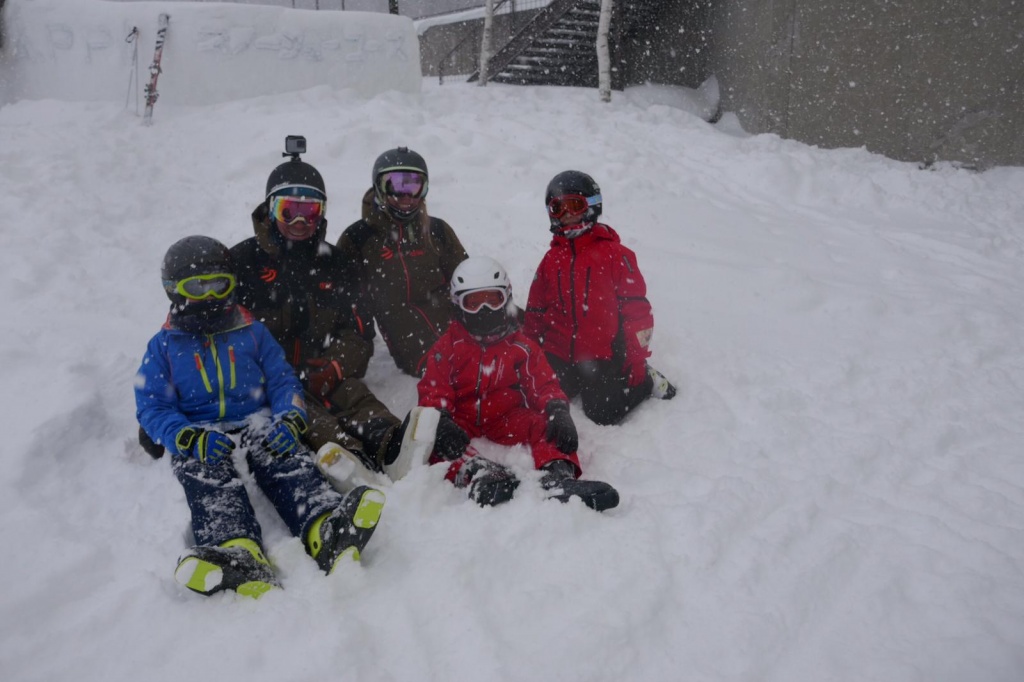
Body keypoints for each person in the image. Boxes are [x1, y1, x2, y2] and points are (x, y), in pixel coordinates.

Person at [134, 236, 385, 598]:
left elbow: (282, 379)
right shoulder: (164, 346)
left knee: (289, 460)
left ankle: (324, 527)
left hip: (256, 419)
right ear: (174, 291)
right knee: (207, 477)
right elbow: (152, 405)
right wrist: (185, 436)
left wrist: (289, 417)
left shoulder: (251, 332)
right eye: (197, 288)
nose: (210, 298)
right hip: (202, 431)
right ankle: (237, 551)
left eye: (219, 285)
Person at [230, 137, 412, 474]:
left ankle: (391, 443)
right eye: (289, 211)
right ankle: (348, 457)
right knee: (304, 412)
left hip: (325, 372)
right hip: (272, 383)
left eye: (309, 212)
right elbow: (209, 334)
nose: (300, 223)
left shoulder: (337, 264)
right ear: (270, 210)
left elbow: (358, 333)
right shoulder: (242, 264)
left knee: (355, 396)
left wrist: (335, 367)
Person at [418, 257, 619, 512]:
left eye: (493, 300)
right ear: (458, 305)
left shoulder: (520, 345)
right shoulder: (448, 347)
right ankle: (478, 473)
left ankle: (558, 476)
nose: (484, 311)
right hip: (462, 417)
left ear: (507, 299)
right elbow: (433, 388)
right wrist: (441, 420)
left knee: (547, 425)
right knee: (434, 441)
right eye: (473, 303)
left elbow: (543, 382)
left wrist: (557, 409)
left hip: (505, 415)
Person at [524, 170, 676, 426]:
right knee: (541, 396)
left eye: (575, 205)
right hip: (559, 351)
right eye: (558, 208)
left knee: (602, 413)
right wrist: (530, 350)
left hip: (602, 354)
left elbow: (637, 314)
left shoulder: (615, 255)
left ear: (592, 207)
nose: (567, 214)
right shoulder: (551, 260)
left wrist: (636, 360)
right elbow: (536, 310)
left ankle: (648, 381)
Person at [337, 147, 468, 377]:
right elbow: (349, 306)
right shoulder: (359, 239)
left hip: (460, 324)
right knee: (467, 371)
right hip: (413, 342)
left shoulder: (436, 230)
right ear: (379, 187)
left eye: (414, 185)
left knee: (521, 345)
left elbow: (468, 279)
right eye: (395, 185)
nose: (406, 195)